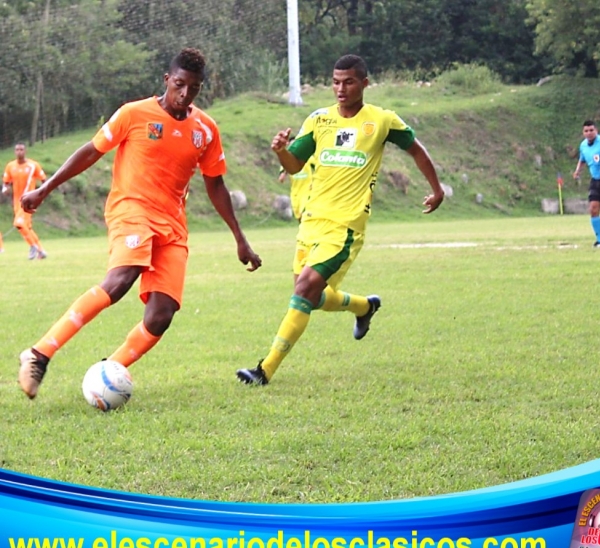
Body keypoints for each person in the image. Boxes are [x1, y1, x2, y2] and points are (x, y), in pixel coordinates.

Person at [17, 47, 262, 399]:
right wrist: (45, 189)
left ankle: (108, 373)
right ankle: (39, 353)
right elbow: (91, 150)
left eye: (194, 88)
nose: (185, 93)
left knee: (161, 315)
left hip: (173, 225)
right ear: (167, 79)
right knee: (120, 280)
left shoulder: (206, 129)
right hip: (131, 210)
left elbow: (216, 184)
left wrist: (240, 238)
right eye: (179, 84)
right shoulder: (134, 114)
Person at [236, 54, 444, 386]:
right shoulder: (319, 120)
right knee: (310, 297)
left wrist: (436, 189)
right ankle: (364, 307)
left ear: (364, 83)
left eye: (348, 82)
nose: (340, 89)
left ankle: (264, 370)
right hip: (311, 223)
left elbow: (416, 149)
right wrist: (280, 151)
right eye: (335, 82)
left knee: (304, 290)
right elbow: (294, 165)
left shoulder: (382, 120)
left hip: (345, 227)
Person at [2, 143, 48, 259]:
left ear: (25, 151)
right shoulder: (10, 166)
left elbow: (44, 181)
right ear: (14, 152)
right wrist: (5, 189)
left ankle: (33, 246)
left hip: (28, 201)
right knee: (27, 227)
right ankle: (40, 251)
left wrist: (41, 195)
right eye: (17, 150)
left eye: (21, 149)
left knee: (19, 223)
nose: (19, 152)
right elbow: (6, 182)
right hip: (16, 202)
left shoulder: (33, 165)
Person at [278, 137, 315, 222]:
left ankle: (306, 234)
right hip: (295, 192)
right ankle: (303, 232)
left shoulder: (307, 158)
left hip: (306, 191)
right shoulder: (287, 161)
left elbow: (319, 167)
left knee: (304, 215)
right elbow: (282, 175)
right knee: (298, 216)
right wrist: (283, 174)